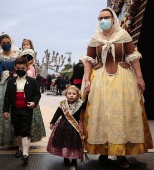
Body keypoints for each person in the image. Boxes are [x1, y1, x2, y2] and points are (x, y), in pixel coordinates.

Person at [81, 7, 153, 169]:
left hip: (122, 79)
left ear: (113, 18)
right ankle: (103, 151)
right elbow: (89, 60)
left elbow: (133, 57)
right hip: (101, 80)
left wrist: (140, 77)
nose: (103, 20)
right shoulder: (95, 38)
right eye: (100, 18)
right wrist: (87, 80)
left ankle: (121, 154)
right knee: (102, 114)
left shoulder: (123, 35)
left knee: (121, 113)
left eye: (106, 17)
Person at [3, 57, 41, 163]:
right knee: (17, 131)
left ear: (27, 68)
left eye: (23, 68)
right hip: (15, 110)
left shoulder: (32, 81)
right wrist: (5, 110)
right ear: (15, 67)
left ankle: (25, 153)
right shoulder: (11, 82)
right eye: (18, 68)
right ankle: (20, 148)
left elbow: (37, 94)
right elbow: (7, 97)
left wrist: (34, 102)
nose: (20, 70)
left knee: (25, 130)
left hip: (26, 110)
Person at [47, 85, 88, 166]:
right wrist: (52, 122)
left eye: (74, 94)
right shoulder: (63, 104)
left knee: (74, 143)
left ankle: (74, 158)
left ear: (78, 95)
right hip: (63, 126)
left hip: (75, 128)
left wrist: (87, 94)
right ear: (66, 95)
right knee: (64, 142)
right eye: (69, 93)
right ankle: (65, 157)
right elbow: (57, 114)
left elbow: (87, 104)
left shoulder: (80, 104)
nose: (71, 95)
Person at [20, 46, 46, 143]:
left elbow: (34, 81)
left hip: (30, 96)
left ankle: (29, 139)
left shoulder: (32, 68)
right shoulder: (19, 66)